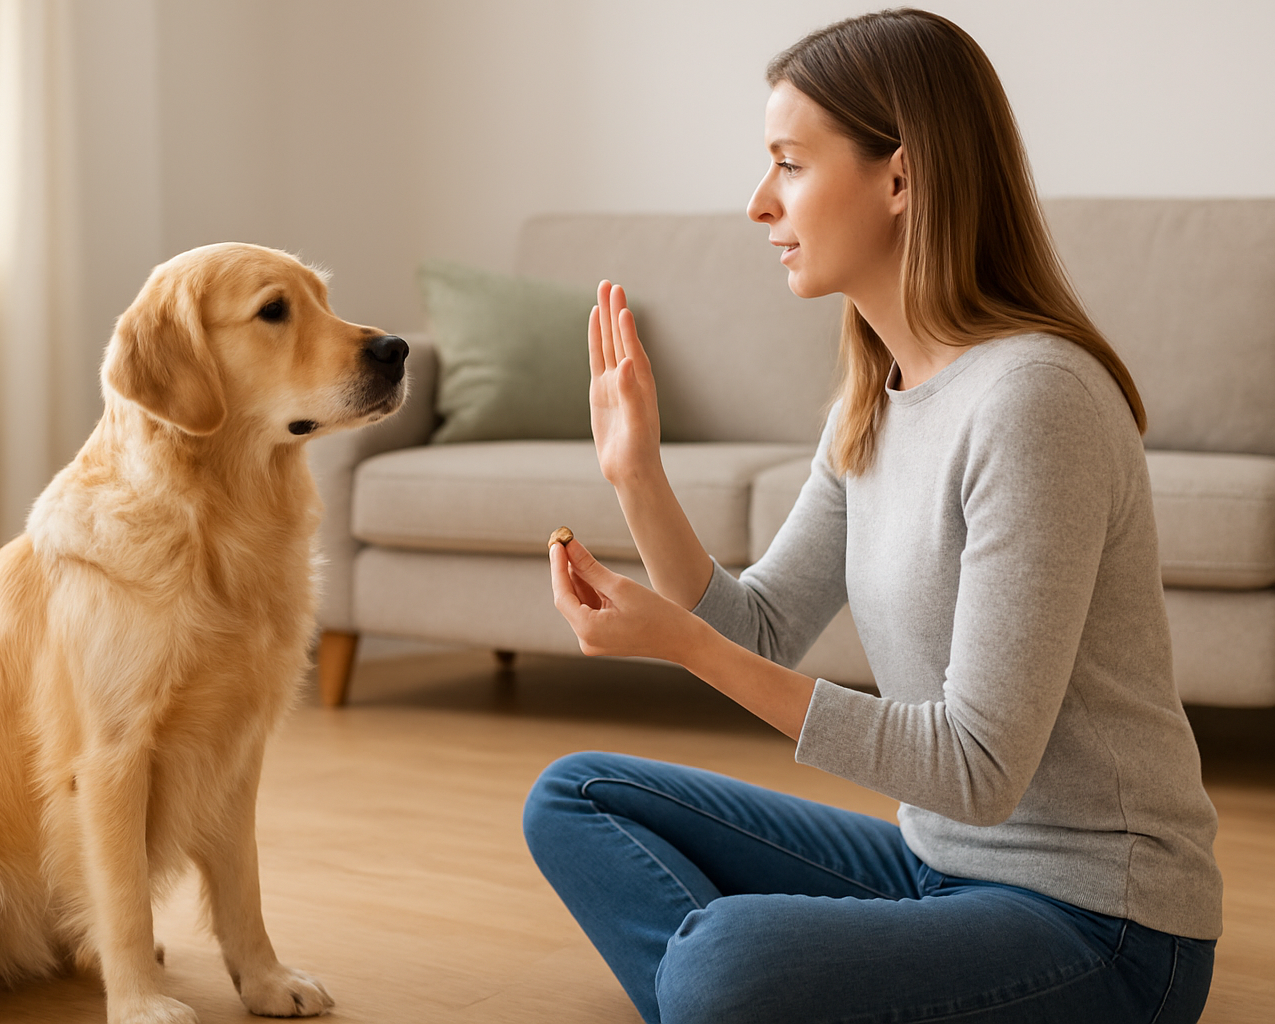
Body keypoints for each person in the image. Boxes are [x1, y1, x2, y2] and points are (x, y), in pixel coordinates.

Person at [521, 9, 1222, 1024]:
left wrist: (681, 646)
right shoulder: (877, 397)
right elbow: (758, 625)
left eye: (790, 164)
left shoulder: (1034, 400)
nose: (760, 202)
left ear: (901, 177)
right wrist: (637, 474)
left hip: (1101, 923)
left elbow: (976, 770)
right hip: (936, 865)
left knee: (727, 967)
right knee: (575, 796)